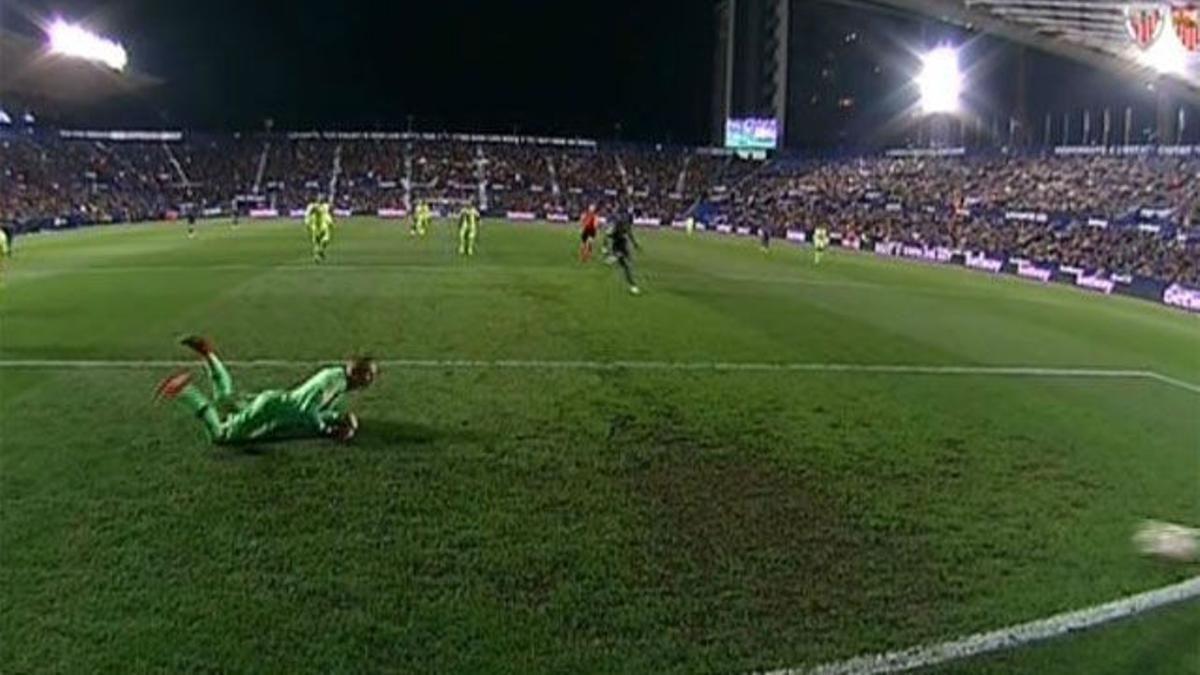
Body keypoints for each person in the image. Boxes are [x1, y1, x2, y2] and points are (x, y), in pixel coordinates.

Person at [155, 335, 376, 445]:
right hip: (270, 411)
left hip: (274, 401)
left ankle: (208, 354)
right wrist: (328, 431)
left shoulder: (337, 376)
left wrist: (343, 418)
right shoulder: (333, 382)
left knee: (225, 399)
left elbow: (315, 408)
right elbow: (307, 412)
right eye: (369, 375)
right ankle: (186, 391)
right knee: (222, 436)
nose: (371, 379)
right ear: (355, 373)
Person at [606, 208, 642, 295]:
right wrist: (634, 243)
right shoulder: (626, 220)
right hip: (620, 242)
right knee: (627, 264)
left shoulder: (622, 219)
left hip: (618, 242)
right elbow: (628, 232)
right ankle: (615, 256)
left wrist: (634, 243)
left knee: (626, 265)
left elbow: (611, 233)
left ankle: (633, 285)